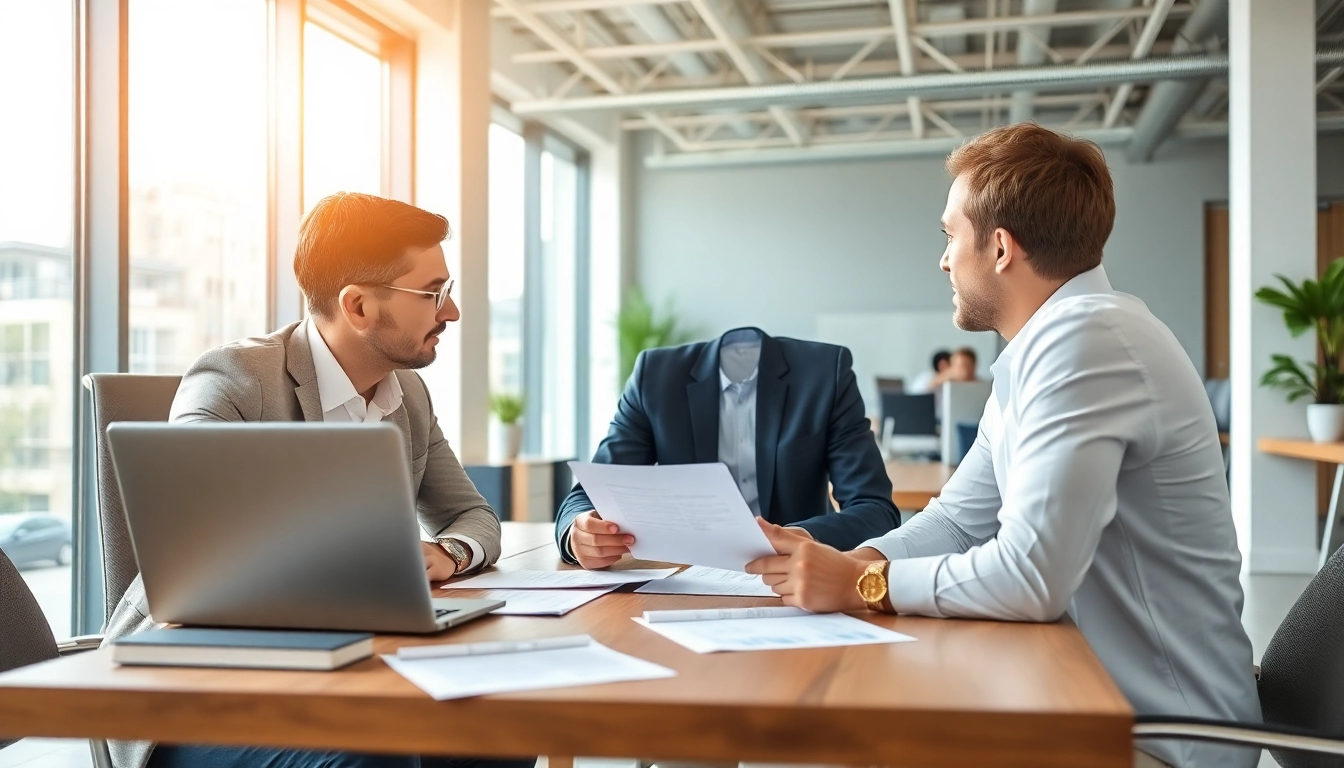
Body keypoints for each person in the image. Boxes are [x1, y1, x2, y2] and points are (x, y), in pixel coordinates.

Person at [745, 124, 1260, 768]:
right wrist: (843, 556)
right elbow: (961, 520)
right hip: (1085, 700)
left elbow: (1030, 577)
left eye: (949, 235)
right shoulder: (1044, 348)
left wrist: (864, 583)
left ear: (999, 248)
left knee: (855, 742)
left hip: (1161, 742)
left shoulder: (1089, 344)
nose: (942, 259)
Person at [102, 192, 532, 768]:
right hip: (195, 686)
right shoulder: (234, 377)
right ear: (356, 306)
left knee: (499, 729)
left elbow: (474, 517)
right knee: (376, 757)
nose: (449, 312)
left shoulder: (409, 395)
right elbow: (191, 540)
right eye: (433, 293)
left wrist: (447, 553)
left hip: (342, 662)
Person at [557, 327, 901, 570]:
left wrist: (800, 537)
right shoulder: (656, 376)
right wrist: (579, 535)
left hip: (794, 577)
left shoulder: (825, 373)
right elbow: (586, 496)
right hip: (683, 578)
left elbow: (875, 509)